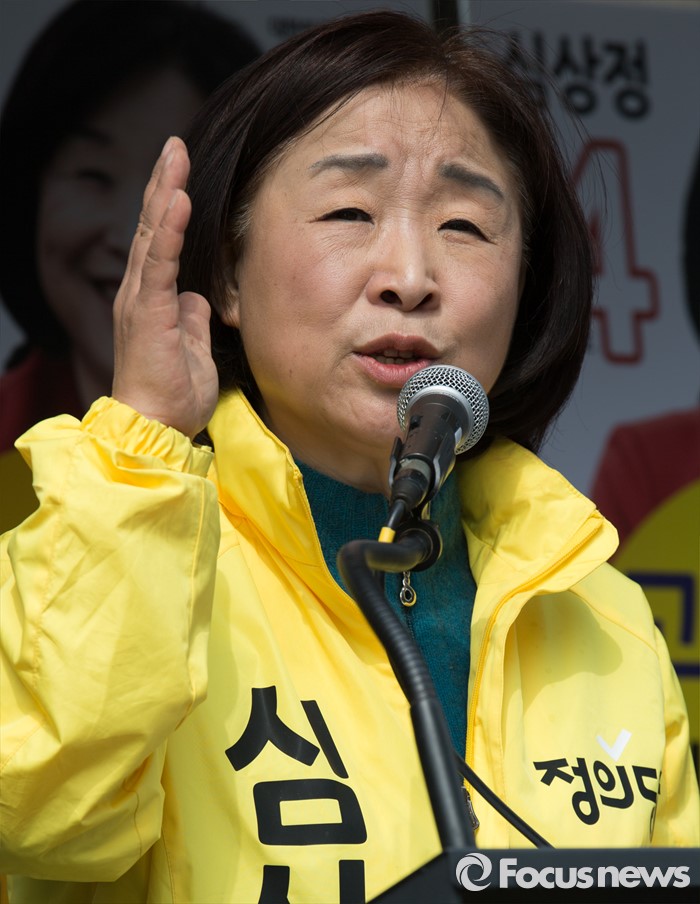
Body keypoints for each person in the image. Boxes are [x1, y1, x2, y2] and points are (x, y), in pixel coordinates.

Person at [1, 11, 697, 904]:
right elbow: (41, 812)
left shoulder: (602, 611)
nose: (409, 275)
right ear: (227, 274)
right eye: (349, 212)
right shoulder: (116, 543)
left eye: (464, 225)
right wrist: (144, 444)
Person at [0, 0, 260, 530]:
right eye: (92, 175)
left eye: (177, 189)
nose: (130, 238)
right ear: (29, 193)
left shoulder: (311, 462)